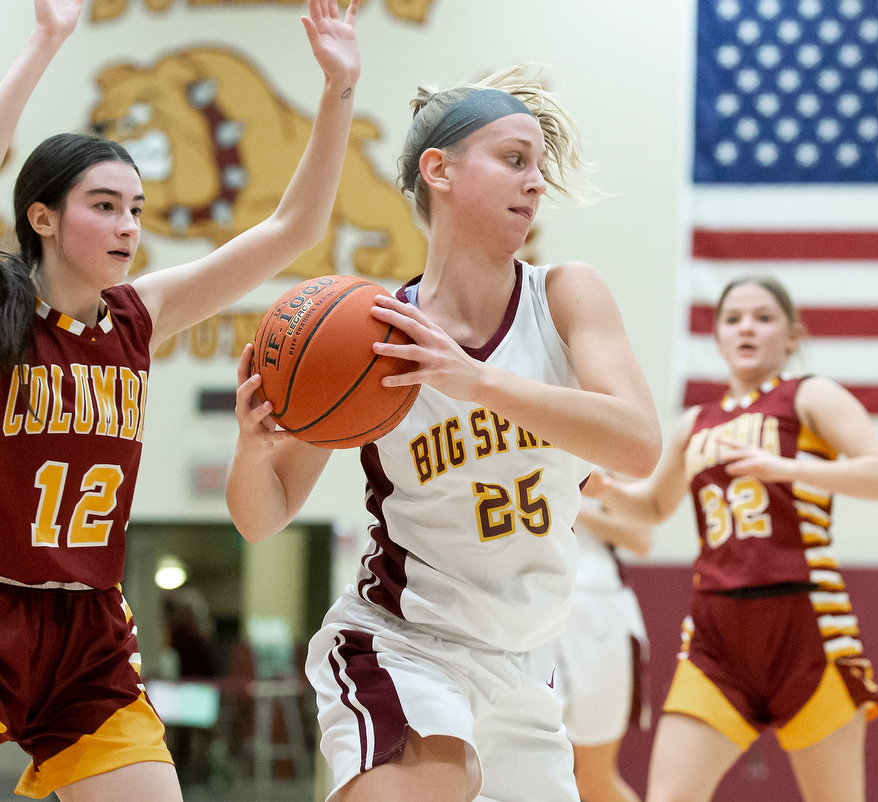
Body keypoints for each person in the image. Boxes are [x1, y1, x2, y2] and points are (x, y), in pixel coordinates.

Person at [226, 65, 662, 802]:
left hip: (526, 663)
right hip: (404, 645)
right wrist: (253, 448)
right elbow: (262, 517)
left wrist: (475, 380)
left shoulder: (565, 297)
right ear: (441, 169)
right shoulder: (370, 336)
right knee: (431, 781)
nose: (535, 183)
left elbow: (638, 443)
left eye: (539, 167)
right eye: (515, 160)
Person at [0, 0, 361, 799]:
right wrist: (46, 40)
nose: (129, 225)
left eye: (136, 208)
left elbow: (294, 229)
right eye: (104, 206)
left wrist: (338, 88)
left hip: (88, 632)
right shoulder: (8, 309)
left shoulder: (140, 316)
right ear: (42, 217)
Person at [586, 276, 878, 802]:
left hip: (805, 624)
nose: (746, 328)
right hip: (717, 631)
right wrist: (601, 486)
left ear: (794, 335)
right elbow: (652, 506)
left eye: (763, 317)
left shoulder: (810, 395)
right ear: (716, 338)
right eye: (733, 319)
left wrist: (783, 467)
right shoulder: (696, 422)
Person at [551, 493, 653, 802]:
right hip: (526, 604)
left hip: (596, 608)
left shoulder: (605, 458)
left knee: (593, 782)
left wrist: (565, 502)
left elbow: (640, 539)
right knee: (530, 773)